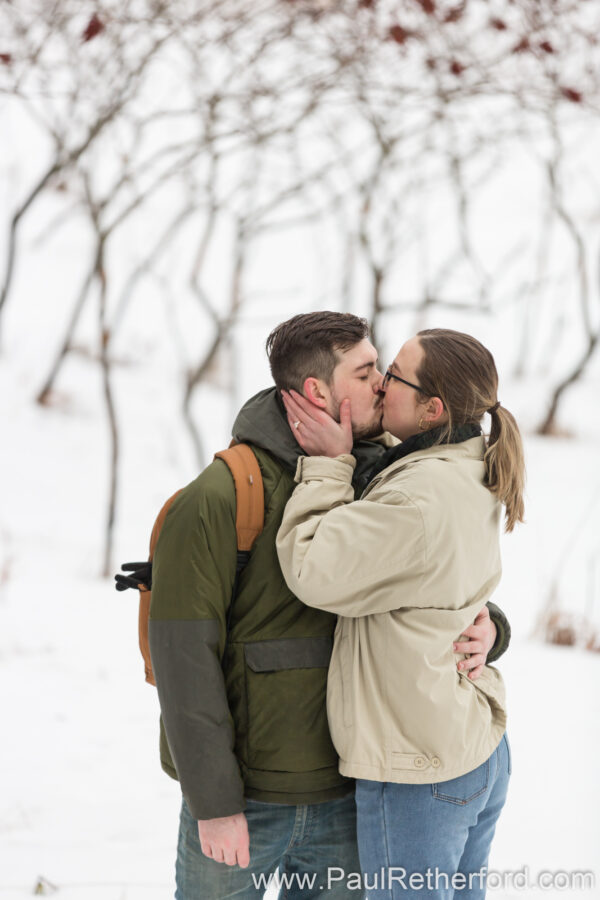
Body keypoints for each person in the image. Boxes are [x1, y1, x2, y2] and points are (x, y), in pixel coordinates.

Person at [148, 314, 511, 900]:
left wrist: (489, 625)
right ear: (317, 391)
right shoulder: (221, 495)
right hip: (250, 801)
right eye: (368, 372)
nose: (381, 386)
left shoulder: (388, 471)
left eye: (387, 372)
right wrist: (215, 804)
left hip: (350, 794)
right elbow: (183, 661)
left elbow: (437, 578)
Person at [276, 328, 524, 900]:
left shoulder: (416, 497)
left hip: (419, 770)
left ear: (433, 408)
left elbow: (314, 567)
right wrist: (495, 625)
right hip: (467, 745)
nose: (382, 384)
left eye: (394, 375)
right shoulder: (465, 455)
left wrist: (330, 464)